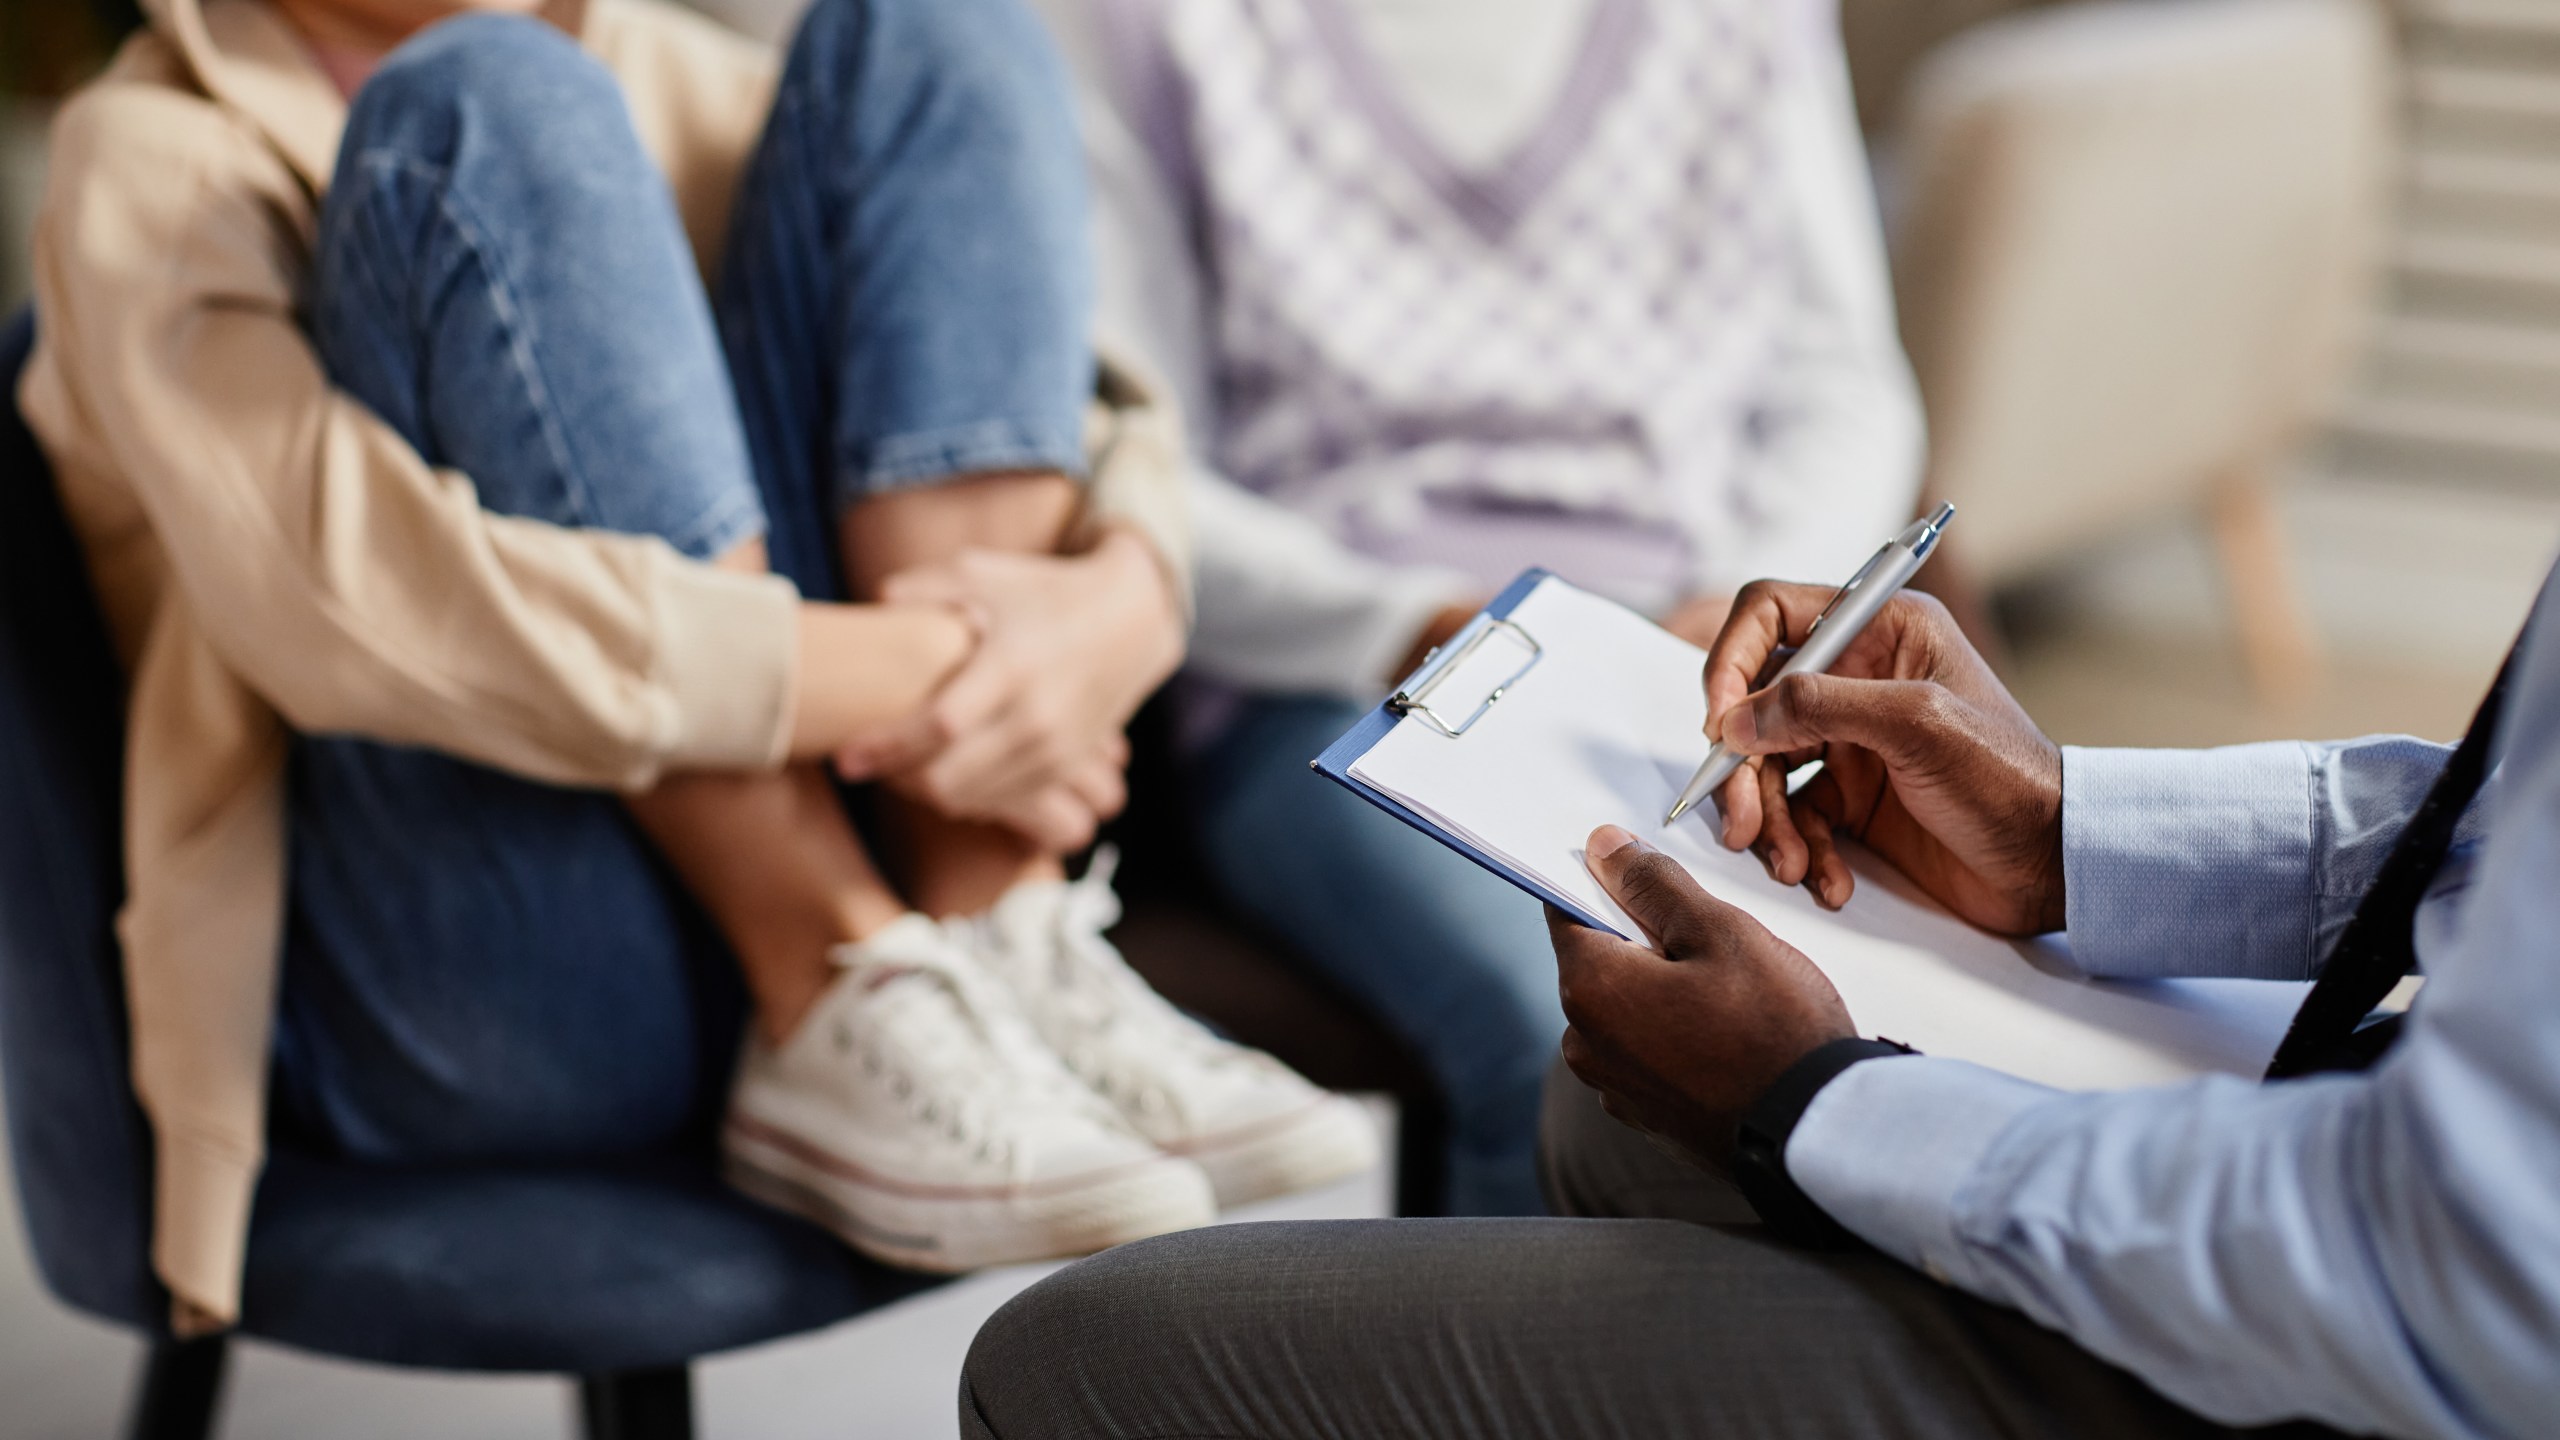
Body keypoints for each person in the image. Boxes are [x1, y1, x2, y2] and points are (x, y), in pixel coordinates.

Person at [21, 0, 1373, 1329]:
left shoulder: (670, 63)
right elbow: (349, 615)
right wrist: (959, 674)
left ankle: (992, 925)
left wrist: (1127, 591)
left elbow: (1051, 365)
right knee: (493, 94)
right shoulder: (143, 154)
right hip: (473, 969)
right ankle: (827, 965)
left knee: (932, 28)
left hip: (873, 881)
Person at [960, 569, 2560, 1439]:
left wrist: (1821, 1102)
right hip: (2405, 1164)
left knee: (1079, 1366)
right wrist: (2074, 833)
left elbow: (2444, 1272)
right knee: (1609, 1101)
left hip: (2397, 1336)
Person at [1029, 0, 1926, 1214]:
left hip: (1689, 645)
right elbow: (1129, 452)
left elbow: (1842, 382)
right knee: (1572, 1027)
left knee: (1906, 1008)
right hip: (1339, 671)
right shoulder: (1136, 28)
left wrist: (1744, 601)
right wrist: (1410, 625)